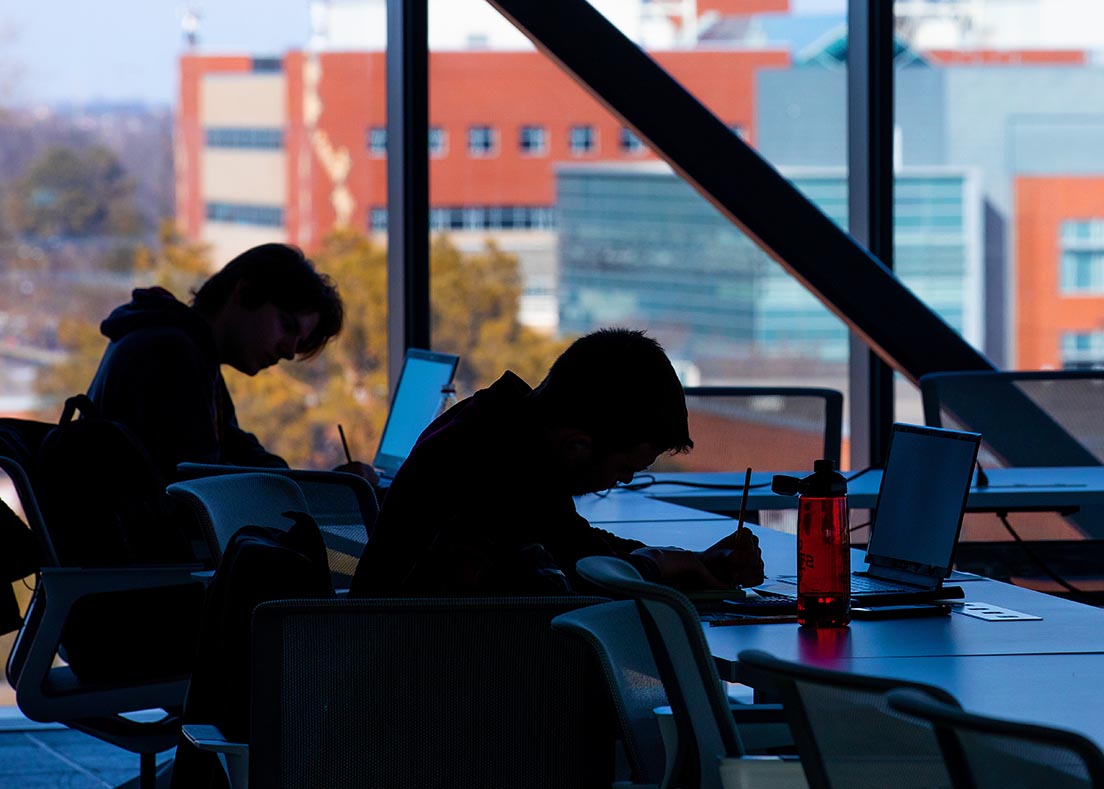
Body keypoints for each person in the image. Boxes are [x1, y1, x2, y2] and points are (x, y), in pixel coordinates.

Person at [350, 328, 763, 596]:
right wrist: (663, 562)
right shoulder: (497, 467)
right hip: (430, 706)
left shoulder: (494, 426)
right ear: (577, 446)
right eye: (624, 469)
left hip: (400, 678)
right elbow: (583, 585)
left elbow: (574, 544)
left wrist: (687, 561)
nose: (620, 481)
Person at [86, 242, 376, 483]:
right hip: (150, 550)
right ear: (245, 293)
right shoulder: (173, 355)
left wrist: (321, 486)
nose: (289, 352)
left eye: (299, 344)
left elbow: (237, 448)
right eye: (286, 325)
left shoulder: (183, 347)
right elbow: (202, 487)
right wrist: (324, 492)